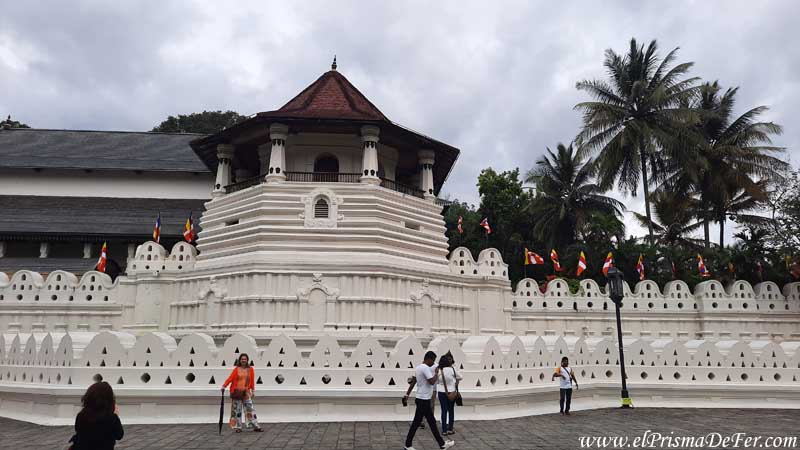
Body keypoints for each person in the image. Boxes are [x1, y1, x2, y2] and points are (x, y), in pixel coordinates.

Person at [403, 351, 455, 450]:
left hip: (421, 398)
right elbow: (431, 382)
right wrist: (436, 373)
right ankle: (408, 444)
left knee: (431, 423)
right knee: (419, 423)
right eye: (433, 360)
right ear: (429, 359)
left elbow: (413, 381)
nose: (433, 363)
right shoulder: (425, 368)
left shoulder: (418, 367)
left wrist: (407, 394)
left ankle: (442, 444)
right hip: (423, 400)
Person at [70, 381, 124, 450]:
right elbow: (119, 435)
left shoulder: (81, 415)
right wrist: (116, 415)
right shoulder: (111, 418)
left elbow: (78, 430)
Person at [221, 353, 264, 432]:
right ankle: (238, 427)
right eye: (242, 359)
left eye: (245, 359)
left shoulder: (250, 369)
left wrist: (253, 390)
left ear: (247, 360)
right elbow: (230, 378)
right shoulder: (236, 369)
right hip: (237, 392)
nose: (243, 360)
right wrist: (224, 386)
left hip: (246, 392)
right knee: (237, 410)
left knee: (250, 409)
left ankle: (255, 425)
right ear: (239, 360)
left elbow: (252, 381)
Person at [436, 354, 462, 436]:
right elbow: (460, 377)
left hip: (441, 391)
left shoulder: (439, 370)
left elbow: (436, 380)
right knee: (451, 410)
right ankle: (450, 429)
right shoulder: (452, 369)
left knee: (444, 410)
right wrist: (455, 382)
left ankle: (444, 430)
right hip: (452, 391)